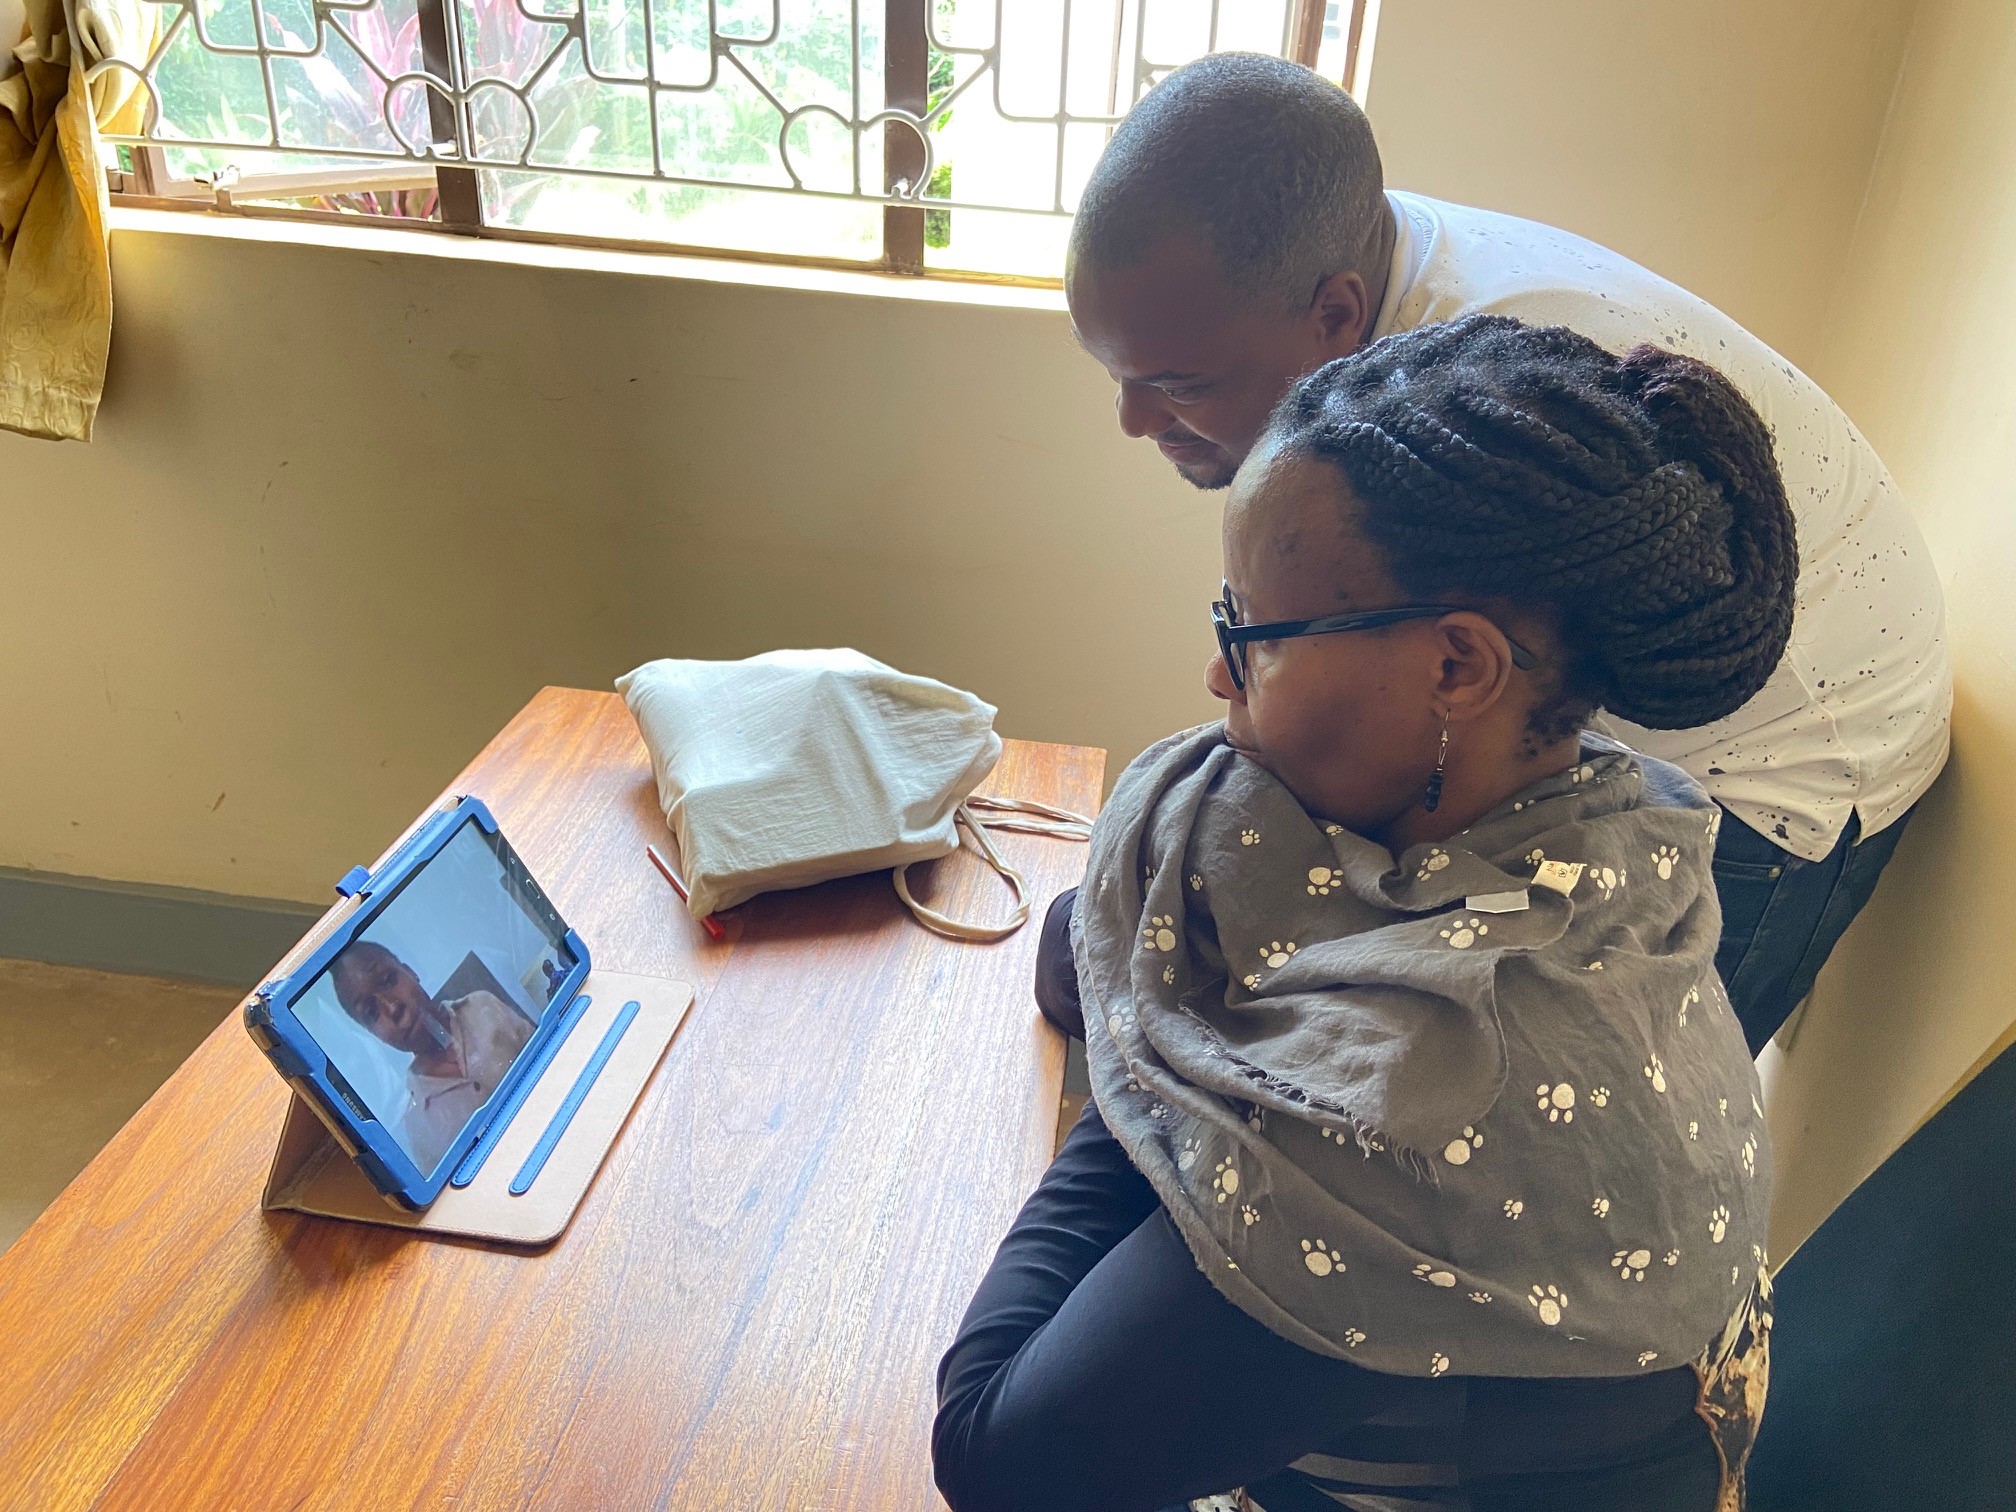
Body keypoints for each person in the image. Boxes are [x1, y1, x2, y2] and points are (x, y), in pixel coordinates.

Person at [935, 316, 1784, 1511]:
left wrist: (1178, 1059)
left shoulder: (1429, 1114)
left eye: (1253, 636)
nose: (1217, 681)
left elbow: (1001, 1459)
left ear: (1456, 670)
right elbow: (1086, 948)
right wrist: (1178, 1023)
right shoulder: (1597, 809)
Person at [1065, 54, 1949, 1053]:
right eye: (1113, 369)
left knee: (1552, 1119)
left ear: (1336, 316)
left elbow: (1430, 752)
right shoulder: (1319, 260)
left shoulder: (1503, 377)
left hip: (1788, 763)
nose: (1134, 420)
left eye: (1177, 382)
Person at [330, 939, 535, 1172]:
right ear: (375, 1035)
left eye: (389, 980)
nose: (393, 1008)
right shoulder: (419, 1125)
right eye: (372, 1012)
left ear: (410, 972)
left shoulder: (483, 1006)